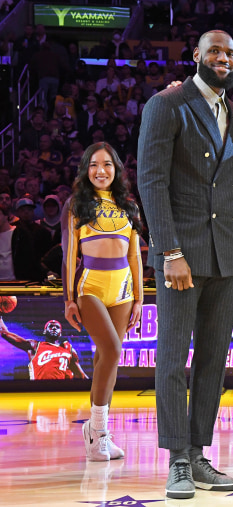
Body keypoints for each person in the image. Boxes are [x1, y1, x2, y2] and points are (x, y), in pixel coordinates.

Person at [137, 30, 233, 499]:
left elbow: (232, 189)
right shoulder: (167, 104)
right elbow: (151, 181)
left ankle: (199, 453)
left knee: (212, 362)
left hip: (226, 257)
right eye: (215, 51)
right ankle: (176, 459)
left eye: (230, 53)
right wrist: (170, 252)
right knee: (171, 359)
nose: (223, 58)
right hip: (182, 254)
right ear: (197, 56)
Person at [59, 142, 142, 461]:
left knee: (105, 360)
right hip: (90, 286)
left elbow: (134, 255)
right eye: (94, 165)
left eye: (107, 164)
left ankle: (95, 432)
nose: (100, 171)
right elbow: (69, 256)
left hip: (122, 289)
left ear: (116, 169)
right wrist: (69, 299)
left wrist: (138, 298)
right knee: (112, 350)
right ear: (86, 170)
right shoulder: (77, 205)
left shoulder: (129, 206)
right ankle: (99, 432)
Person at [0, 318, 87, 380]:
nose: (54, 328)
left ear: (60, 333)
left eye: (57, 327)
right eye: (51, 326)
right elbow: (5, 334)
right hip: (39, 392)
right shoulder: (34, 346)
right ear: (44, 331)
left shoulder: (68, 349)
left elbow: (81, 376)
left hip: (62, 394)